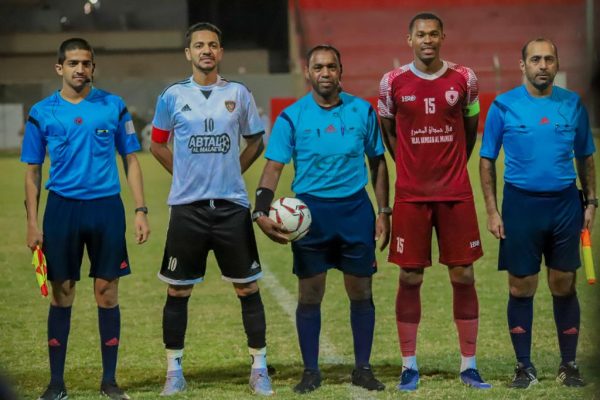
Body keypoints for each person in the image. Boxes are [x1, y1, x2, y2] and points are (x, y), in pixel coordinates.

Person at [254, 44, 390, 394]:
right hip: (310, 216)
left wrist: (384, 211)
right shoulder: (292, 116)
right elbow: (273, 167)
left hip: (355, 211)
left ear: (340, 70)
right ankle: (310, 371)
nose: (325, 73)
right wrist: (260, 210)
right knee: (310, 293)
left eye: (331, 66)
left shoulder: (363, 111)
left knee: (360, 290)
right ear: (308, 72)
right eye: (318, 67)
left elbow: (378, 163)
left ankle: (363, 368)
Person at [21, 38, 150, 400]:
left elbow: (131, 160)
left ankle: (109, 381)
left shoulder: (114, 106)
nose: (80, 69)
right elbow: (32, 172)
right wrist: (32, 223)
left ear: (93, 67)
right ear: (59, 68)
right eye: (73, 63)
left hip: (106, 209)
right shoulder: (42, 112)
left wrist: (140, 209)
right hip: (62, 210)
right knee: (62, 294)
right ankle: (56, 384)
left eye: (86, 63)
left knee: (107, 293)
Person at [149, 22, 273, 396]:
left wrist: (233, 170)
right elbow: (157, 144)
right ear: (188, 53)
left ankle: (259, 368)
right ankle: (174, 371)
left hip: (231, 206)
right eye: (199, 45)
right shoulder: (172, 96)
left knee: (247, 287)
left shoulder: (238, 93)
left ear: (220, 52)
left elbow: (255, 141)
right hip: (187, 209)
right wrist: (183, 175)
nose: (206, 50)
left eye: (213, 45)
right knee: (177, 291)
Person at [377, 12, 490, 391]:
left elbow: (470, 130)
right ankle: (408, 365)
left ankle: (469, 365)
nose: (427, 40)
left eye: (433, 34)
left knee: (464, 275)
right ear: (409, 40)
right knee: (410, 276)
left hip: (456, 193)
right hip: (411, 196)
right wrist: (409, 168)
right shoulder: (392, 82)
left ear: (443, 37)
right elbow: (388, 132)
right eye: (421, 34)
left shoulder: (465, 78)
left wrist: (452, 166)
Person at [480, 38, 596, 389]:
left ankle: (569, 364)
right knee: (521, 286)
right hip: (520, 206)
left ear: (557, 63)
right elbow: (487, 160)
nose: (542, 65)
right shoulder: (503, 106)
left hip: (565, 205)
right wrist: (492, 210)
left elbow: (585, 155)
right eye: (535, 59)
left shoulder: (573, 105)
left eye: (548, 59)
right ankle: (524, 366)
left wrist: (591, 202)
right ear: (523, 65)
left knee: (564, 283)